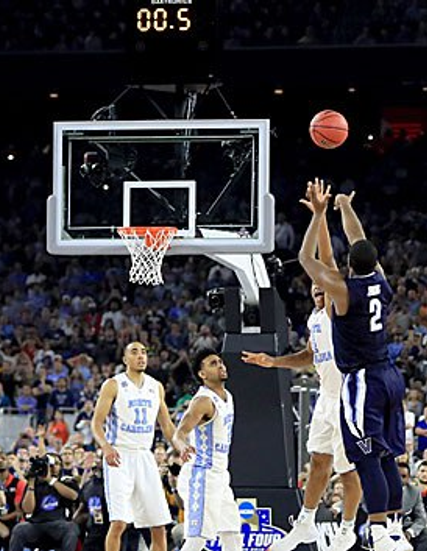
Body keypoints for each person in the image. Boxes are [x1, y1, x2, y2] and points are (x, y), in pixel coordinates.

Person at [296, 179, 406, 551]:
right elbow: (358, 239)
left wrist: (319, 215)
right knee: (387, 452)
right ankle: (394, 527)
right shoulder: (381, 280)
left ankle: (378, 530)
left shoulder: (343, 292)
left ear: (349, 265)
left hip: (363, 380)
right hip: (390, 375)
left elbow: (307, 260)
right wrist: (345, 206)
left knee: (366, 455)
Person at [241, 293, 363, 550]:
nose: (317, 288)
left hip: (347, 398)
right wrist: (273, 362)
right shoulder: (315, 318)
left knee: (347, 470)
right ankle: (305, 523)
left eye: (322, 285)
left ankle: (347, 529)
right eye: (314, 286)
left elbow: (328, 278)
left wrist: (323, 269)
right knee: (318, 461)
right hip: (326, 397)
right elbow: (309, 355)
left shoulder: (337, 311)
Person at [91, 342, 177, 551]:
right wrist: (106, 447)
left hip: (145, 456)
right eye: (134, 352)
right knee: (119, 523)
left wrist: (181, 447)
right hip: (119, 455)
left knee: (159, 525)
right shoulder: (113, 384)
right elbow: (96, 423)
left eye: (144, 352)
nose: (141, 356)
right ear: (125, 359)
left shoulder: (155, 386)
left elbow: (166, 425)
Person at [171, 349, 240, 551]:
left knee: (232, 534)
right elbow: (179, 434)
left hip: (220, 475)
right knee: (197, 539)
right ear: (202, 374)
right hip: (201, 475)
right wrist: (183, 446)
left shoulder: (228, 396)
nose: (220, 365)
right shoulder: (203, 401)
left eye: (220, 361)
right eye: (213, 364)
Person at [9, 453, 80, 551]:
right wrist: (31, 483)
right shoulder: (35, 484)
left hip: (58, 524)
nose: (53, 467)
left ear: (61, 467)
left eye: (56, 464)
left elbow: (74, 496)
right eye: (50, 465)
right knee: (19, 529)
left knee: (71, 527)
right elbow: (28, 510)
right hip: (36, 524)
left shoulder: (66, 482)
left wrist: (50, 480)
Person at [397, 463, 427, 551]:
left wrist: (410, 532)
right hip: (383, 526)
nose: (399, 479)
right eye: (397, 475)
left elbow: (422, 518)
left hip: (405, 527)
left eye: (403, 476)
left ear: (408, 478)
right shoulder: (381, 489)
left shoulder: (414, 491)